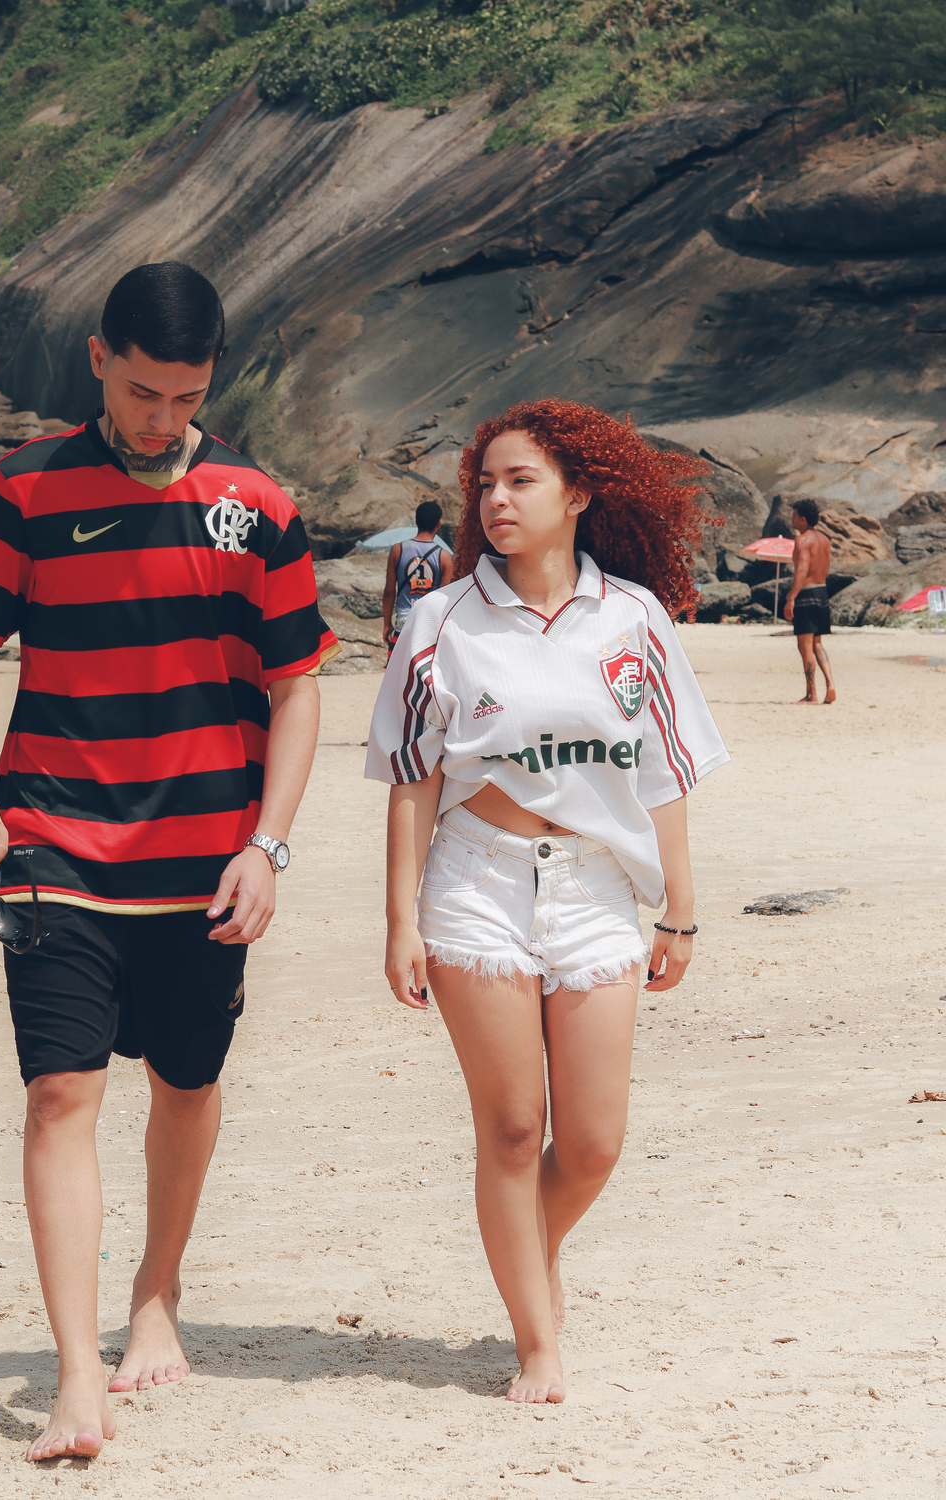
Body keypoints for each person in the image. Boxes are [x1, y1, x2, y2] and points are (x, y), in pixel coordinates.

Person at [0, 262, 338, 1464]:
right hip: (54, 841)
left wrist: (268, 845)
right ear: (99, 358)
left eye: (187, 396)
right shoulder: (22, 488)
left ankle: (156, 1293)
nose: (161, 418)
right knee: (60, 1092)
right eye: (142, 391)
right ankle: (76, 1375)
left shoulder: (257, 505)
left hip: (206, 858)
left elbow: (297, 687)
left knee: (186, 1083)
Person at [366, 400, 729, 1405]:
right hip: (474, 881)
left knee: (597, 1141)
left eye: (520, 481)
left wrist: (680, 909)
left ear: (578, 495)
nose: (497, 499)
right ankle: (537, 1341)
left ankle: (529, 1247)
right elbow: (412, 781)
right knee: (516, 1130)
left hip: (597, 886)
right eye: (485, 483)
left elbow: (664, 775)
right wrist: (399, 921)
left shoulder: (634, 618)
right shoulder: (441, 619)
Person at [382, 499, 454, 658]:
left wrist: (387, 624)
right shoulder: (445, 557)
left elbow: (389, 592)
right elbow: (444, 599)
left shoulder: (398, 550)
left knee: (396, 672)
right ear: (439, 523)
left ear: (417, 521)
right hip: (428, 629)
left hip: (403, 627)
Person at [783, 498, 835, 705]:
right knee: (817, 644)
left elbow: (802, 569)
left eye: (794, 516)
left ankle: (811, 694)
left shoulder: (803, 540)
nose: (792, 520)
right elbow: (825, 569)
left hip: (806, 595)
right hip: (822, 593)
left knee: (805, 647)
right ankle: (830, 683)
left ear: (803, 519)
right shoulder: (825, 540)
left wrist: (792, 597)